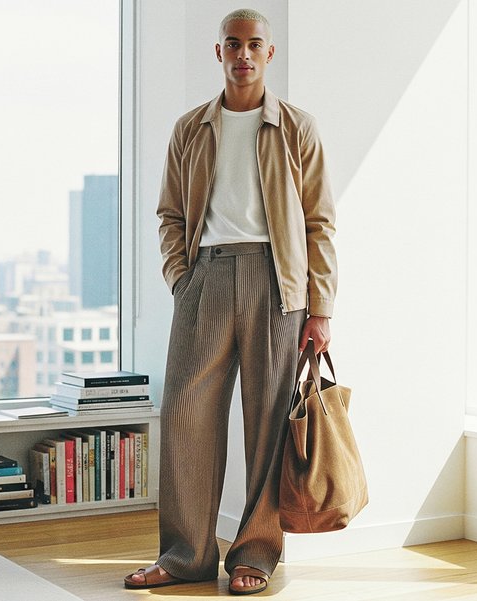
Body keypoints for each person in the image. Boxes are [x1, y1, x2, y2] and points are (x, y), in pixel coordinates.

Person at [124, 8, 337, 596]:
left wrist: (320, 309)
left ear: (270, 53)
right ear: (218, 53)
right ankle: (186, 554)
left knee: (269, 423)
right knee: (187, 416)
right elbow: (170, 214)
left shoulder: (298, 128)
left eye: (254, 44)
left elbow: (320, 224)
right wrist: (181, 278)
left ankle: (257, 552)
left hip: (278, 285)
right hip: (206, 278)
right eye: (233, 44)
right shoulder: (190, 129)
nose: (244, 54)